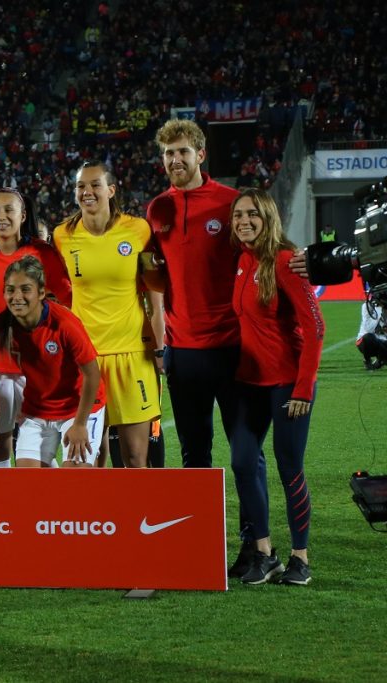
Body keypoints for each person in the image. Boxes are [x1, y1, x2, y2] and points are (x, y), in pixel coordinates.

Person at [146, 119, 260, 576]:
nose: (175, 161)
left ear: (201, 154)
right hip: (184, 353)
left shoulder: (232, 205)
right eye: (168, 154)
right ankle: (201, 547)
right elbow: (154, 276)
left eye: (182, 153)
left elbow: (260, 259)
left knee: (245, 456)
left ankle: (256, 547)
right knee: (195, 457)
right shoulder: (157, 209)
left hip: (233, 349)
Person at [228, 189, 324, 586]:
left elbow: (316, 328)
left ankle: (301, 557)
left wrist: (303, 388)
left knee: (289, 469)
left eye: (252, 214)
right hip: (250, 384)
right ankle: (265, 553)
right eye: (237, 216)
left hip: (288, 385)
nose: (244, 221)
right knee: (242, 461)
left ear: (267, 218)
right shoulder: (243, 260)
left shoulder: (286, 261)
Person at [53, 161, 162, 467]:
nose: (87, 192)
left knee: (135, 457)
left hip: (132, 355)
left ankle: (137, 516)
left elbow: (154, 292)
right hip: (85, 359)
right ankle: (97, 517)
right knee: (91, 456)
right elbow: (59, 293)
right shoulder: (63, 235)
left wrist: (160, 344)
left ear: (111, 190)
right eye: (80, 186)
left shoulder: (138, 229)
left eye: (95, 185)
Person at [0, 188, 72, 466]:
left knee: (38, 450)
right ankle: (2, 508)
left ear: (22, 215)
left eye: (8, 210)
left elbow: (66, 300)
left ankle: (45, 507)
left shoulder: (41, 252)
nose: (1, 217)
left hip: (34, 369)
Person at [0, 256, 106, 467]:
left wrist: (80, 424)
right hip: (38, 410)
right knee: (29, 486)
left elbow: (92, 374)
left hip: (78, 408)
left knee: (75, 483)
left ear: (41, 292)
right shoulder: (2, 325)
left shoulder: (64, 324)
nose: (16, 297)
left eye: (25, 289)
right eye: (10, 289)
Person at [356, 295, 386, 370]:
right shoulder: (366, 306)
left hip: (382, 341)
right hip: (366, 341)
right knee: (368, 337)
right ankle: (367, 359)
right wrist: (379, 309)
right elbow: (369, 328)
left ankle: (380, 360)